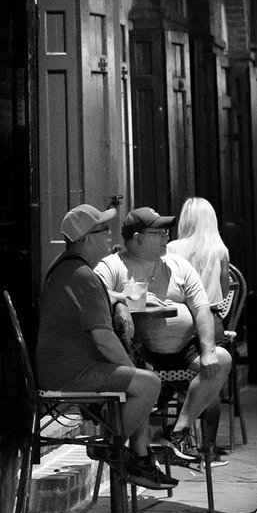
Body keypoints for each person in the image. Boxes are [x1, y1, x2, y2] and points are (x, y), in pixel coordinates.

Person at [34, 203, 174, 491]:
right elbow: (103, 338)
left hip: (63, 366)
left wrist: (118, 300)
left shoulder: (68, 269)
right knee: (147, 383)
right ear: (86, 239)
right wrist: (129, 370)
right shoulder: (82, 276)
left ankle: (140, 458)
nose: (109, 236)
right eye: (103, 230)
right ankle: (110, 447)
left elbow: (97, 294)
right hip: (69, 373)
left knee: (142, 377)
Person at [94, 205, 231, 467]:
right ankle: (136, 453)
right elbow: (94, 290)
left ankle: (177, 433)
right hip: (141, 351)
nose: (166, 238)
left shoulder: (177, 264)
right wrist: (123, 300)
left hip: (183, 349)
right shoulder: (114, 264)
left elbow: (201, 307)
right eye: (159, 233)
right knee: (139, 378)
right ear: (138, 239)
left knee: (221, 359)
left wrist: (208, 350)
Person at [165, 196, 231, 464]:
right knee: (210, 378)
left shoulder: (171, 248)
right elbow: (225, 292)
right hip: (212, 320)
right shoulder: (220, 249)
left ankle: (177, 439)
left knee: (188, 377)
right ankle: (209, 450)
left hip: (180, 320)